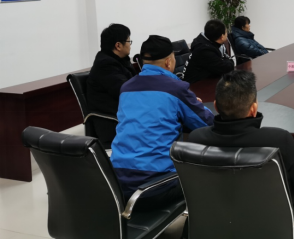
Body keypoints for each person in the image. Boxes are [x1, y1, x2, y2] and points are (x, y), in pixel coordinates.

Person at [188, 70, 294, 239]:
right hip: (274, 228)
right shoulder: (278, 140)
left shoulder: (196, 139)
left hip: (216, 225)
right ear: (253, 108)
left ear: (215, 106)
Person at [110, 35, 214, 218]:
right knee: (209, 172)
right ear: (168, 62)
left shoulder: (126, 88)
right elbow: (207, 122)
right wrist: (197, 105)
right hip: (155, 189)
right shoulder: (175, 88)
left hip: (116, 185)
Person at [86, 23, 135, 145]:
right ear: (118, 45)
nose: (130, 45)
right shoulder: (106, 65)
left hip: (126, 114)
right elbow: (127, 91)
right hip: (113, 122)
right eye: (129, 41)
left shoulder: (120, 60)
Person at [183, 19, 234, 83]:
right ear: (222, 37)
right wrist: (230, 61)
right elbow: (226, 68)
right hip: (195, 85)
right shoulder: (204, 50)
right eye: (226, 32)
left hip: (207, 79)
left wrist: (227, 61)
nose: (227, 34)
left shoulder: (212, 42)